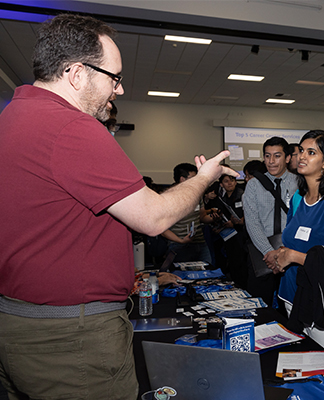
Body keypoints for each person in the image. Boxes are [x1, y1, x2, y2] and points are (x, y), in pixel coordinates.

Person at [0, 14, 236, 399]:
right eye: (114, 77)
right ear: (76, 74)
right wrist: (203, 178)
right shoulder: (71, 127)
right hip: (70, 338)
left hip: (20, 321)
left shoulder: (13, 116)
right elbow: (155, 215)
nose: (119, 89)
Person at [272, 131, 324, 355]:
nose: (301, 157)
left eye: (311, 152)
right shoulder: (302, 198)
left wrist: (294, 257)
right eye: (300, 151)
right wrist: (281, 255)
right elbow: (295, 241)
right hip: (292, 296)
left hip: (321, 305)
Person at [243, 137, 298, 304]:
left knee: (289, 306)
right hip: (261, 254)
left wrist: (282, 252)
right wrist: (269, 252)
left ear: (288, 158)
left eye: (277, 156)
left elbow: (300, 221)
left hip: (290, 253)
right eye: (267, 156)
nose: (271, 161)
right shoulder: (253, 185)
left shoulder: (299, 183)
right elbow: (252, 223)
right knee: (259, 305)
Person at [160, 163, 214, 264]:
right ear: (182, 179)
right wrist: (181, 241)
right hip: (178, 245)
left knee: (208, 273)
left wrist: (214, 218)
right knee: (181, 276)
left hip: (200, 243)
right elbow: (162, 229)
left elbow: (202, 217)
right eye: (193, 178)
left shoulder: (197, 195)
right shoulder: (168, 198)